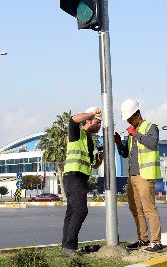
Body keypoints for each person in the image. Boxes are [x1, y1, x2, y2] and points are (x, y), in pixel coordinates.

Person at [115, 99, 163, 253]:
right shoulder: (131, 134)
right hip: (132, 176)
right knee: (135, 209)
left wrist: (136, 134)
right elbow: (125, 154)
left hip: (145, 175)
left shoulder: (151, 127)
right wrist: (118, 143)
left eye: (130, 117)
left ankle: (156, 242)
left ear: (137, 113)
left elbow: (152, 144)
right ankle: (143, 240)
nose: (128, 121)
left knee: (149, 209)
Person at [61, 107, 104, 258]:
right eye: (97, 122)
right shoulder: (77, 133)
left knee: (72, 212)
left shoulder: (90, 140)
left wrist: (99, 160)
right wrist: (93, 113)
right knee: (81, 210)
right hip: (73, 176)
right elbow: (73, 119)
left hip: (81, 178)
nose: (99, 125)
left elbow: (93, 165)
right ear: (87, 121)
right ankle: (70, 246)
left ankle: (66, 246)